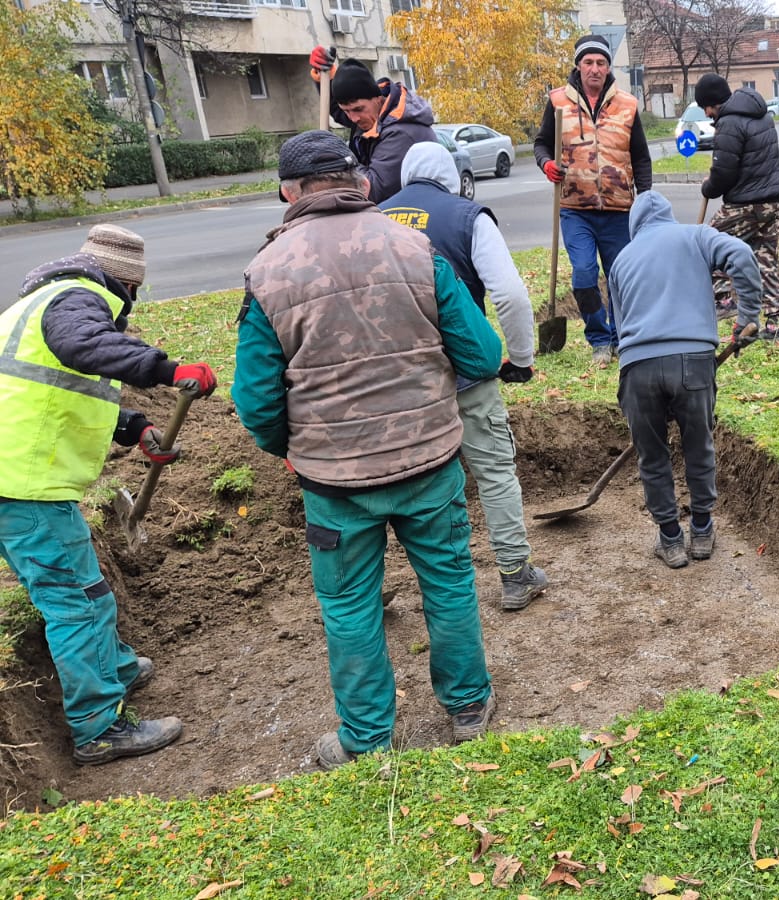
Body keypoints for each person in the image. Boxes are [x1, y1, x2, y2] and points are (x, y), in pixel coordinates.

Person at [233, 130, 504, 768]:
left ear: (287, 192)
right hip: (429, 462)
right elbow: (483, 355)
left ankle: (365, 736)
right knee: (448, 580)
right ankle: (468, 707)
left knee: (349, 604)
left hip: (335, 482)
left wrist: (291, 448)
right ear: (359, 183)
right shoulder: (417, 248)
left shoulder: (268, 272)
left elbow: (256, 402)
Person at [0, 225, 218, 765]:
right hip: (25, 485)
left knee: (82, 588)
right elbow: (85, 346)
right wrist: (167, 369)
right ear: (127, 284)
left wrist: (135, 428)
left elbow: (55, 384)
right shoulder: (81, 299)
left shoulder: (39, 302)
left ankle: (113, 667)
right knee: (75, 600)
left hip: (17, 478)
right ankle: (99, 726)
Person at [379, 141, 549, 611]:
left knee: (398, 481)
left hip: (397, 381)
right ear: (452, 177)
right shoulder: (468, 216)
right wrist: (519, 357)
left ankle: (381, 584)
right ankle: (516, 574)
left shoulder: (373, 218)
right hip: (465, 371)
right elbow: (511, 295)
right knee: (493, 471)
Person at [606, 191, 762, 568]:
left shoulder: (620, 260)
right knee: (698, 445)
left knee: (653, 456)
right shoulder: (696, 235)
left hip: (638, 368)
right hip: (692, 362)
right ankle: (703, 531)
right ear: (668, 216)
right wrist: (748, 315)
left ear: (634, 225)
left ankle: (671, 540)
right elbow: (742, 255)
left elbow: (619, 327)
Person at [532, 34, 654, 366]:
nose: (595, 69)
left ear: (608, 68)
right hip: (575, 209)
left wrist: (646, 199)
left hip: (619, 211)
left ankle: (621, 338)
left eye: (601, 63)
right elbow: (541, 144)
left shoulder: (627, 105)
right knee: (585, 274)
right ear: (578, 66)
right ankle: (599, 338)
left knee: (620, 278)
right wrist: (547, 163)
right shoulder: (558, 102)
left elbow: (640, 157)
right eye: (588, 62)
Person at [695, 73, 779, 342]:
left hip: (745, 203)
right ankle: (774, 327)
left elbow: (724, 173)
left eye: (706, 107)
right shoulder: (762, 114)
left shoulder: (729, 123)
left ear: (712, 104)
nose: (708, 114)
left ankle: (724, 300)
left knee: (707, 243)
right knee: (765, 258)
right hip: (773, 201)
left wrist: (708, 187)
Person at [308, 48, 438, 204]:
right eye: (347, 111)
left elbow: (372, 189)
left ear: (377, 99)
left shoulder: (401, 131)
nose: (353, 118)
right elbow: (338, 109)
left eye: (358, 109)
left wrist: (339, 158)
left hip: (420, 213)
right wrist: (327, 79)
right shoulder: (374, 115)